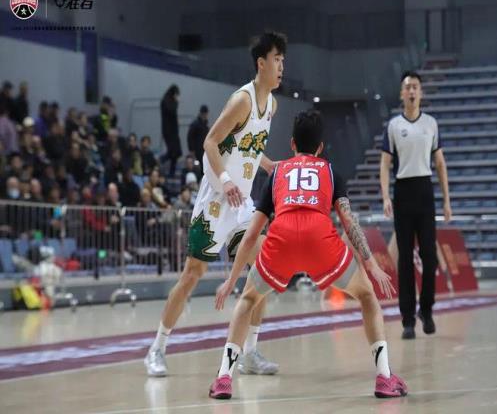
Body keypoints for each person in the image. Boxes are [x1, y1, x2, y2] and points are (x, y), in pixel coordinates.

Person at [209, 110, 408, 400]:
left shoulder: (277, 173)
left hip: (282, 240)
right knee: (367, 296)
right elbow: (349, 223)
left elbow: (251, 235)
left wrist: (231, 280)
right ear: (321, 147)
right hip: (320, 241)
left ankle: (224, 378)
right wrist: (371, 264)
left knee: (248, 299)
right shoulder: (331, 172)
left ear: (292, 143)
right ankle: (385, 377)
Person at [144, 31, 286, 377]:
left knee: (263, 269)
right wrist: (225, 179)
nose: (282, 66)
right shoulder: (242, 100)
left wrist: (267, 164)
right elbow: (210, 142)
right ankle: (156, 349)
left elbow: (247, 144)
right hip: (217, 199)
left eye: (284, 60)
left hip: (242, 204)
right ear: (261, 63)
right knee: (193, 274)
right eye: (277, 60)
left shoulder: (272, 105)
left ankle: (250, 352)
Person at [380, 71, 452, 340]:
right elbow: (385, 164)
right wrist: (386, 196)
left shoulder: (431, 124)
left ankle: (427, 310)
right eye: (407, 87)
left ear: (420, 92)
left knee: (430, 256)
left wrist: (446, 201)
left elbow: (440, 164)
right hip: (403, 191)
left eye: (415, 87)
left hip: (424, 191)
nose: (411, 91)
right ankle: (408, 319)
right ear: (402, 93)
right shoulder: (393, 126)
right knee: (405, 260)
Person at [161, 85, 182, 176]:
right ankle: (160, 160)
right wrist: (176, 102)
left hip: (174, 131)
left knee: (177, 152)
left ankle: (171, 171)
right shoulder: (166, 101)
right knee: (172, 152)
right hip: (168, 131)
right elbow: (171, 111)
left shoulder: (170, 101)